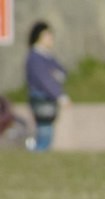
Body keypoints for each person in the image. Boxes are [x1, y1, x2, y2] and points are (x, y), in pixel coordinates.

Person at [25, 21, 70, 151]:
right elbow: (45, 79)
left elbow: (61, 72)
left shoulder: (46, 56)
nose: (51, 37)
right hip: (40, 97)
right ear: (38, 36)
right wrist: (60, 96)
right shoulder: (35, 57)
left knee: (47, 129)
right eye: (47, 34)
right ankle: (38, 153)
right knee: (45, 130)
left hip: (47, 98)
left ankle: (41, 153)